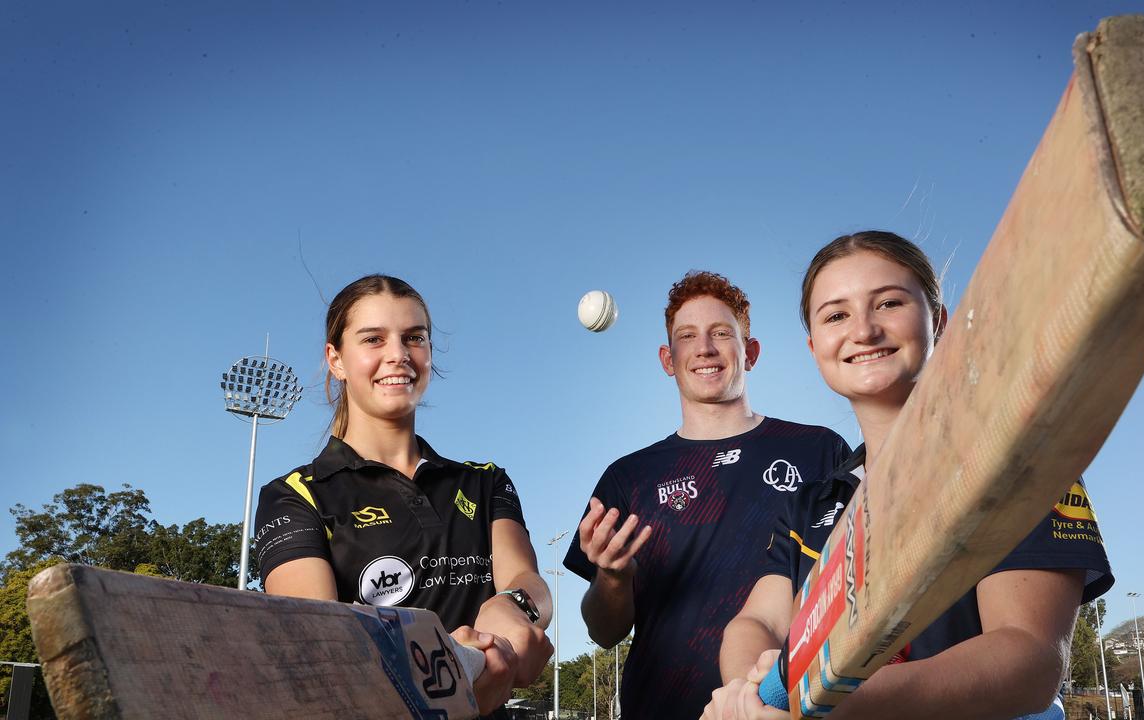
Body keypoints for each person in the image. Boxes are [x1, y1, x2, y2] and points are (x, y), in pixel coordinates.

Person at [704, 231, 1113, 720]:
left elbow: (1030, 658)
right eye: (836, 315)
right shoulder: (810, 503)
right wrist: (748, 696)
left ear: (938, 321)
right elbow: (757, 622)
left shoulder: (1019, 457)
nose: (863, 330)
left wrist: (825, 703)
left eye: (889, 303)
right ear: (815, 348)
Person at [253, 274, 553, 718]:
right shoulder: (294, 496)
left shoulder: (485, 481)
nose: (398, 355)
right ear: (335, 359)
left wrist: (512, 606)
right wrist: (447, 677)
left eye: (415, 338)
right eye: (373, 339)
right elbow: (322, 648)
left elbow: (530, 584)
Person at [562, 270, 853, 720]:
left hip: (786, 706)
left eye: (721, 333)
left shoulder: (819, 449)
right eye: (687, 336)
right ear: (667, 358)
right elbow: (604, 632)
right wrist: (613, 579)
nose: (705, 348)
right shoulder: (628, 477)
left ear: (750, 352)